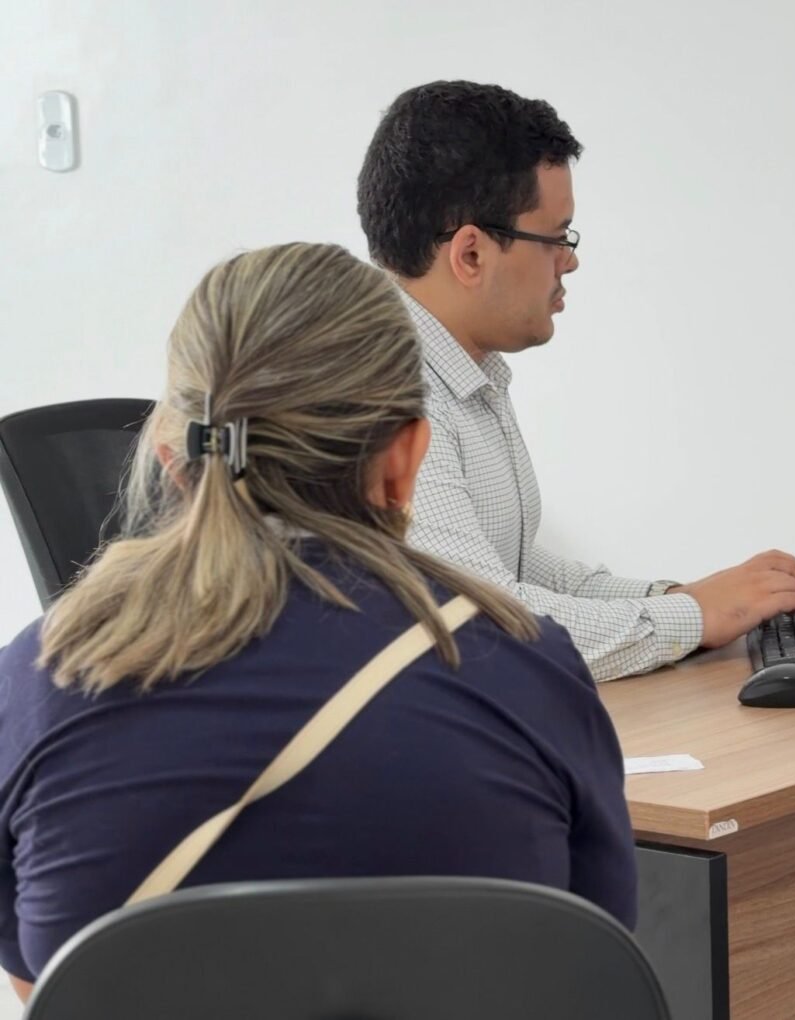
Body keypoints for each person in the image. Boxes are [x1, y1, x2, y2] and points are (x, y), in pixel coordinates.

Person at [0, 243, 636, 1002]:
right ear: (406, 458)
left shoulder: (35, 681)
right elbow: (595, 973)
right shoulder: (529, 667)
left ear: (174, 462)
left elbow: (49, 991)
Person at [356, 80, 795, 682]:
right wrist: (693, 617)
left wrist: (677, 598)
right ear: (470, 255)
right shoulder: (391, 391)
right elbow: (482, 626)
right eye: (555, 238)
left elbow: (508, 565)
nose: (570, 260)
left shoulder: (460, 368)